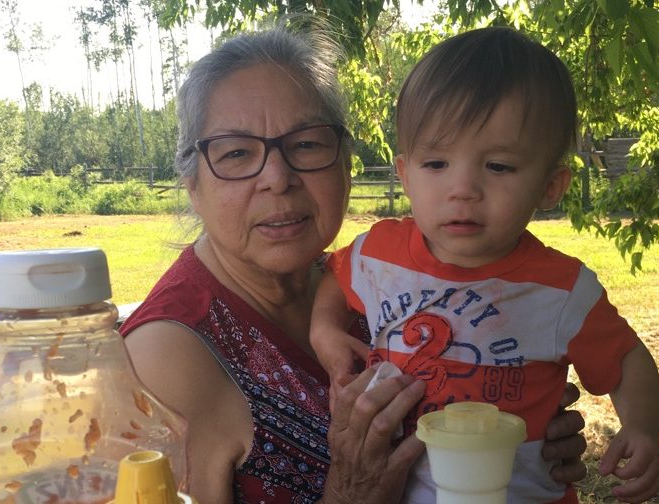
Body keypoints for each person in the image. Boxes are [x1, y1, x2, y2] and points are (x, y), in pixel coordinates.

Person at [120, 23, 590, 504]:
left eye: (306, 144)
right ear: (193, 184)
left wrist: (521, 444)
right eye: (236, 153)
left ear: (346, 163)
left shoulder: (371, 284)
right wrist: (351, 493)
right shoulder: (166, 356)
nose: (278, 178)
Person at [310, 26, 659, 504]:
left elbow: (625, 359)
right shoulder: (379, 252)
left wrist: (643, 430)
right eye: (436, 164)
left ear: (550, 186)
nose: (463, 189)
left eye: (498, 166)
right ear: (405, 176)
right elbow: (336, 278)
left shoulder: (560, 289)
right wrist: (326, 332)